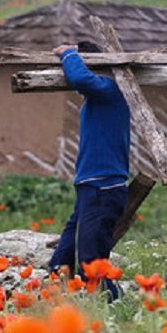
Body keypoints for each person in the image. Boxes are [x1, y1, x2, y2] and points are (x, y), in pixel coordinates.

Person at [47, 41, 130, 301]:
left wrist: (68, 53)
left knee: (92, 266)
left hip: (102, 188)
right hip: (91, 189)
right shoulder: (99, 98)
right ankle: (52, 310)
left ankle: (114, 309)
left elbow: (79, 78)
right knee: (60, 261)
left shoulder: (109, 89)